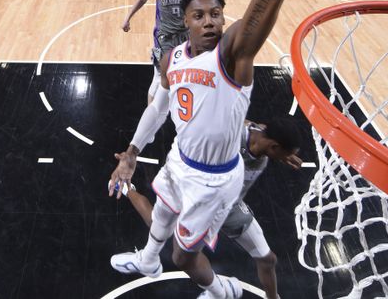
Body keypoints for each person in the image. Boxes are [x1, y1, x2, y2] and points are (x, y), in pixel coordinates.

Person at [109, 0, 318, 299]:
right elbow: (157, 110)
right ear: (185, 20)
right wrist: (131, 154)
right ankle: (147, 261)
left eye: (216, 14)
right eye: (199, 15)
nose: (209, 21)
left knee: (185, 258)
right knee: (161, 213)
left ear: (225, 19)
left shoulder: (234, 57)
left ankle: (226, 291)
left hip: (214, 180)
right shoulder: (171, 57)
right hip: (180, 159)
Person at [119, 117, 303, 299]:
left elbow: (251, 123)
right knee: (159, 228)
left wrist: (284, 155)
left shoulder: (263, 137)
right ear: (274, 146)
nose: (288, 159)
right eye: (286, 154)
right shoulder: (229, 137)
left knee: (268, 260)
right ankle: (127, 189)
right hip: (199, 199)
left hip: (230, 207)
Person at [122, 0, 203, 104]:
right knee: (159, 77)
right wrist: (128, 17)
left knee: (187, 74)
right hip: (163, 39)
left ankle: (184, 110)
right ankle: (150, 115)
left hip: (185, 37)